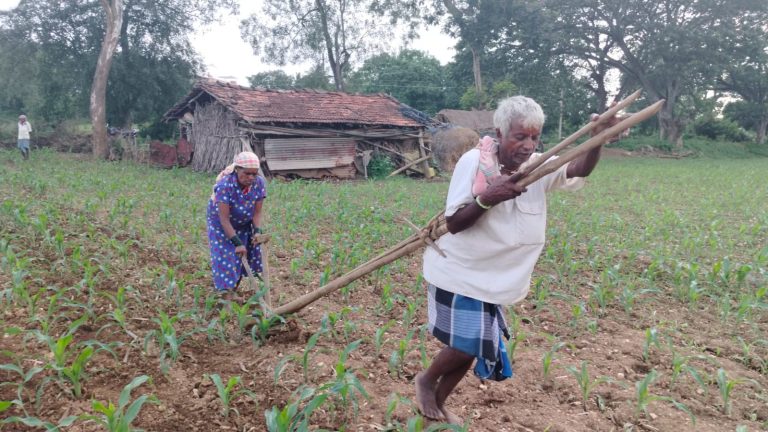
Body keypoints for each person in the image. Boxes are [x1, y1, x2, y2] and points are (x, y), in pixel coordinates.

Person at [415, 96, 621, 424]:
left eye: (534, 137)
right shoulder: (475, 162)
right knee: (468, 344)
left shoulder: (538, 166)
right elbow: (454, 223)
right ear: (500, 133)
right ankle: (426, 382)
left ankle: (437, 404)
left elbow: (579, 168)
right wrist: (487, 199)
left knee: (475, 345)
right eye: (520, 136)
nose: (528, 145)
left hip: (495, 279)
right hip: (461, 271)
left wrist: (598, 138)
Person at [206, 151, 267, 296]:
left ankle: (233, 289)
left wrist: (257, 231)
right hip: (221, 224)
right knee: (226, 256)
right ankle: (224, 295)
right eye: (247, 173)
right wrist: (237, 242)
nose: (251, 177)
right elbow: (224, 219)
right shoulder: (225, 185)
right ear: (237, 169)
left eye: (254, 174)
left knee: (242, 256)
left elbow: (257, 213)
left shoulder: (259, 183)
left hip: (243, 222)